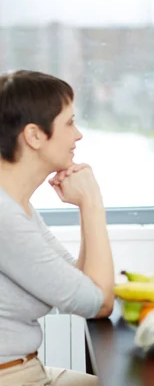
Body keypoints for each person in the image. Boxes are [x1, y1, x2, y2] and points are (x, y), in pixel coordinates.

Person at [0, 71, 114, 385]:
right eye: (69, 123)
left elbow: (81, 283)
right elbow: (100, 303)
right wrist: (92, 203)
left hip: (28, 369)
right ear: (34, 136)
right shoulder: (4, 216)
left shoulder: (16, 204)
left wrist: (85, 206)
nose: (78, 135)